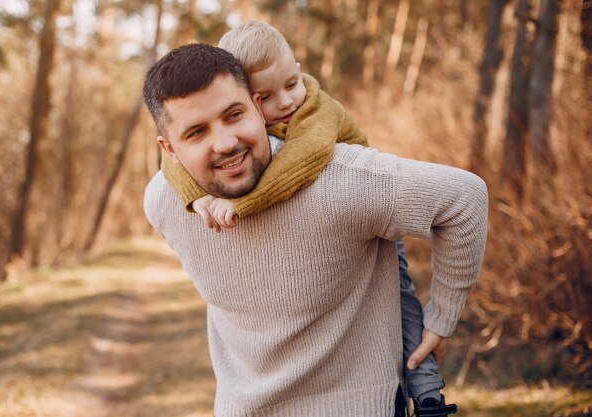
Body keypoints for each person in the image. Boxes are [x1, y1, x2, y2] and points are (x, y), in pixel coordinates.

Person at [143, 43, 488, 417]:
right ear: (169, 149)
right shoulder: (165, 202)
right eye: (196, 132)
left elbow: (465, 199)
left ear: (258, 107)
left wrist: (441, 319)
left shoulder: (341, 180)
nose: (226, 143)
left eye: (234, 114)